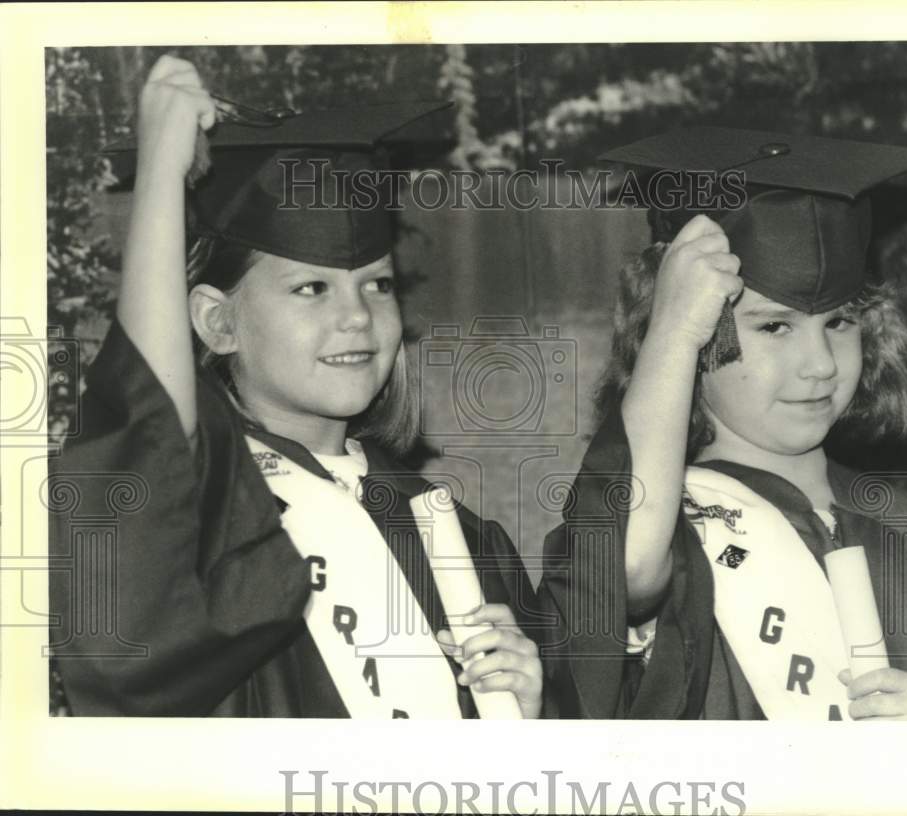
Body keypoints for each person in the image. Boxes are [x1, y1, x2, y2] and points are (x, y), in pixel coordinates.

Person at [49, 55, 542, 718]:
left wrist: (529, 718)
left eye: (379, 283)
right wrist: (162, 175)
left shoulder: (460, 537)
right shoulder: (209, 533)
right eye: (311, 288)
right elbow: (145, 434)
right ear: (216, 322)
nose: (356, 316)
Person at [540, 127, 907, 720]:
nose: (820, 365)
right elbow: (622, 571)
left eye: (839, 323)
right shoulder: (674, 531)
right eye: (774, 326)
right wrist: (673, 328)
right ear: (699, 339)